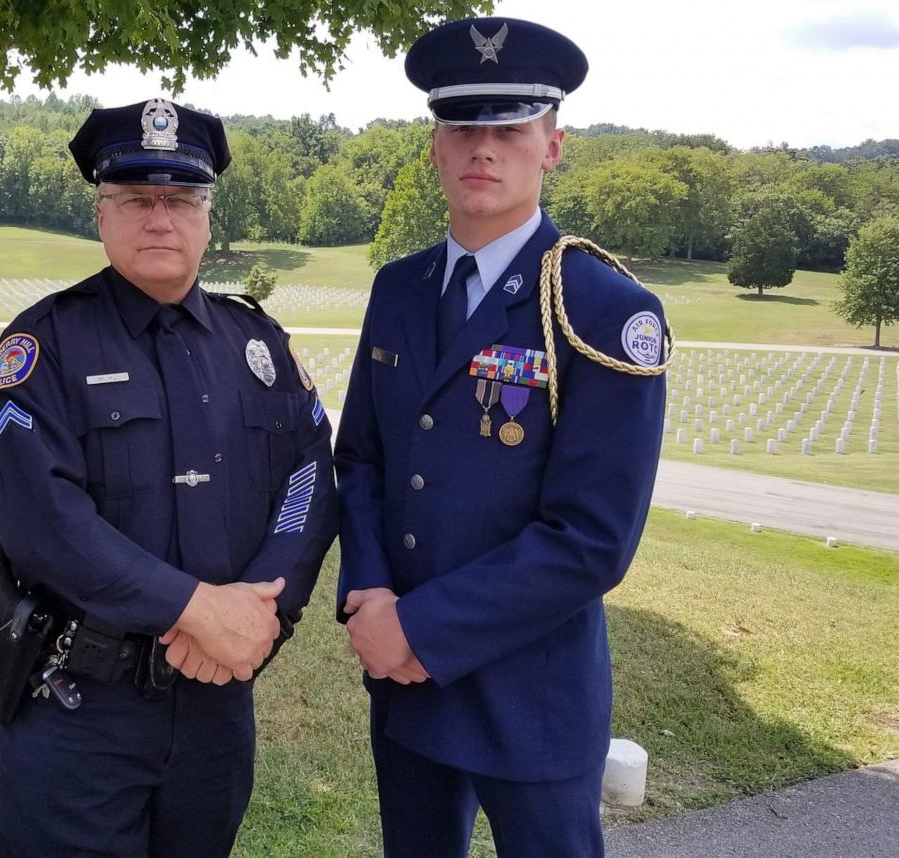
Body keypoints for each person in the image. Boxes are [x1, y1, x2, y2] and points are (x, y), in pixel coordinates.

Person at [0, 98, 337, 858]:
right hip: (77, 709)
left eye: (181, 199)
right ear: (102, 215)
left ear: (208, 217)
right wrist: (193, 608)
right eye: (137, 199)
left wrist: (262, 612)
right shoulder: (42, 347)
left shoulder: (256, 345)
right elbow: (45, 523)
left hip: (217, 707)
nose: (160, 219)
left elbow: (308, 478)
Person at [335, 17, 669, 858]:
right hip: (406, 682)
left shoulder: (603, 310)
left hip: (531, 696)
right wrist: (370, 596)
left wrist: (421, 628)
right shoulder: (399, 289)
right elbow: (364, 458)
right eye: (462, 127)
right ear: (437, 147)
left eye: (510, 129)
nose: (484, 148)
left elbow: (592, 539)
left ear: (552, 145)